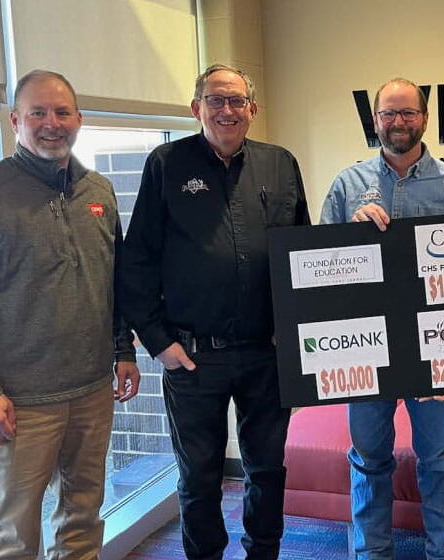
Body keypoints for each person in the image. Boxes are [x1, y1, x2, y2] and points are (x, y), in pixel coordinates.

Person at [0, 69, 140, 560]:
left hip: (91, 391)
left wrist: (123, 350)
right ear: (15, 121)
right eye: (38, 113)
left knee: (83, 517)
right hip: (18, 404)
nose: (52, 123)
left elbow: (112, 282)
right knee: (14, 537)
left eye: (62, 112)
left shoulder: (99, 192)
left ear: (79, 119)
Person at [118, 64, 309, 560]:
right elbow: (137, 259)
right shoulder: (166, 163)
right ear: (196, 107)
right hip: (193, 356)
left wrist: (298, 338)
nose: (227, 110)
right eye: (216, 100)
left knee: (267, 468)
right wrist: (160, 342)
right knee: (199, 476)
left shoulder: (281, 164)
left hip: (267, 354)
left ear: (252, 109)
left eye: (236, 101)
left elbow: (304, 257)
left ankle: (263, 552)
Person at [319, 77, 444, 560]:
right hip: (365, 347)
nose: (398, 122)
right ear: (375, 121)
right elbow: (319, 273)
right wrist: (350, 233)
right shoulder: (346, 186)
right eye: (389, 113)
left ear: (425, 118)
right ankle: (371, 554)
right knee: (369, 459)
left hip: (435, 349)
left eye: (408, 112)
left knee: (438, 459)